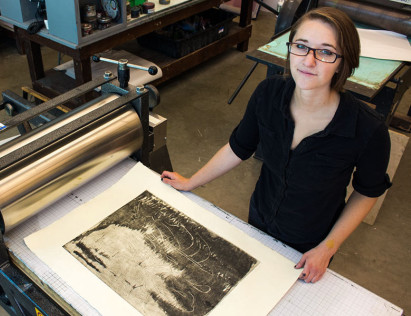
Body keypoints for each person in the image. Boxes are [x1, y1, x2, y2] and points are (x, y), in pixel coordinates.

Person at [161, 7, 391, 283]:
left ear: (343, 62)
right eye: (301, 46)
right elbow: (238, 147)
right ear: (290, 48)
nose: (308, 61)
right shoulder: (268, 94)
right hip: (259, 218)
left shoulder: (368, 129)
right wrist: (191, 182)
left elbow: (367, 191)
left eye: (326, 52)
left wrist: (327, 248)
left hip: (311, 240)